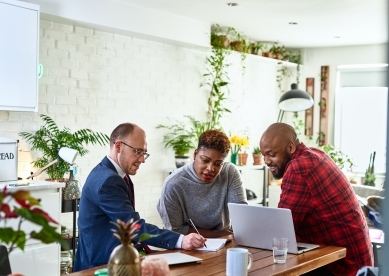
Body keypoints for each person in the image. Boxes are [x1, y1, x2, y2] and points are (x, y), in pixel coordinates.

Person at [74, 123, 206, 271]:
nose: (142, 159)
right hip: (99, 268)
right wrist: (181, 240)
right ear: (118, 146)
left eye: (144, 153)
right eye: (137, 152)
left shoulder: (115, 174)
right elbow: (133, 227)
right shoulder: (108, 181)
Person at [259, 123, 373, 276]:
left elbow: (281, 229)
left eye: (272, 154)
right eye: (263, 155)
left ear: (291, 147)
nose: (266, 161)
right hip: (360, 262)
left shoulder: (299, 167)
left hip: (343, 266)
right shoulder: (315, 154)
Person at [157, 129, 247, 238]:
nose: (210, 168)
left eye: (218, 164)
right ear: (195, 154)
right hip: (187, 245)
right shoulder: (173, 184)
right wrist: (217, 234)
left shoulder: (229, 172)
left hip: (224, 242)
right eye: (205, 160)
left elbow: (241, 215)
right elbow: (175, 230)